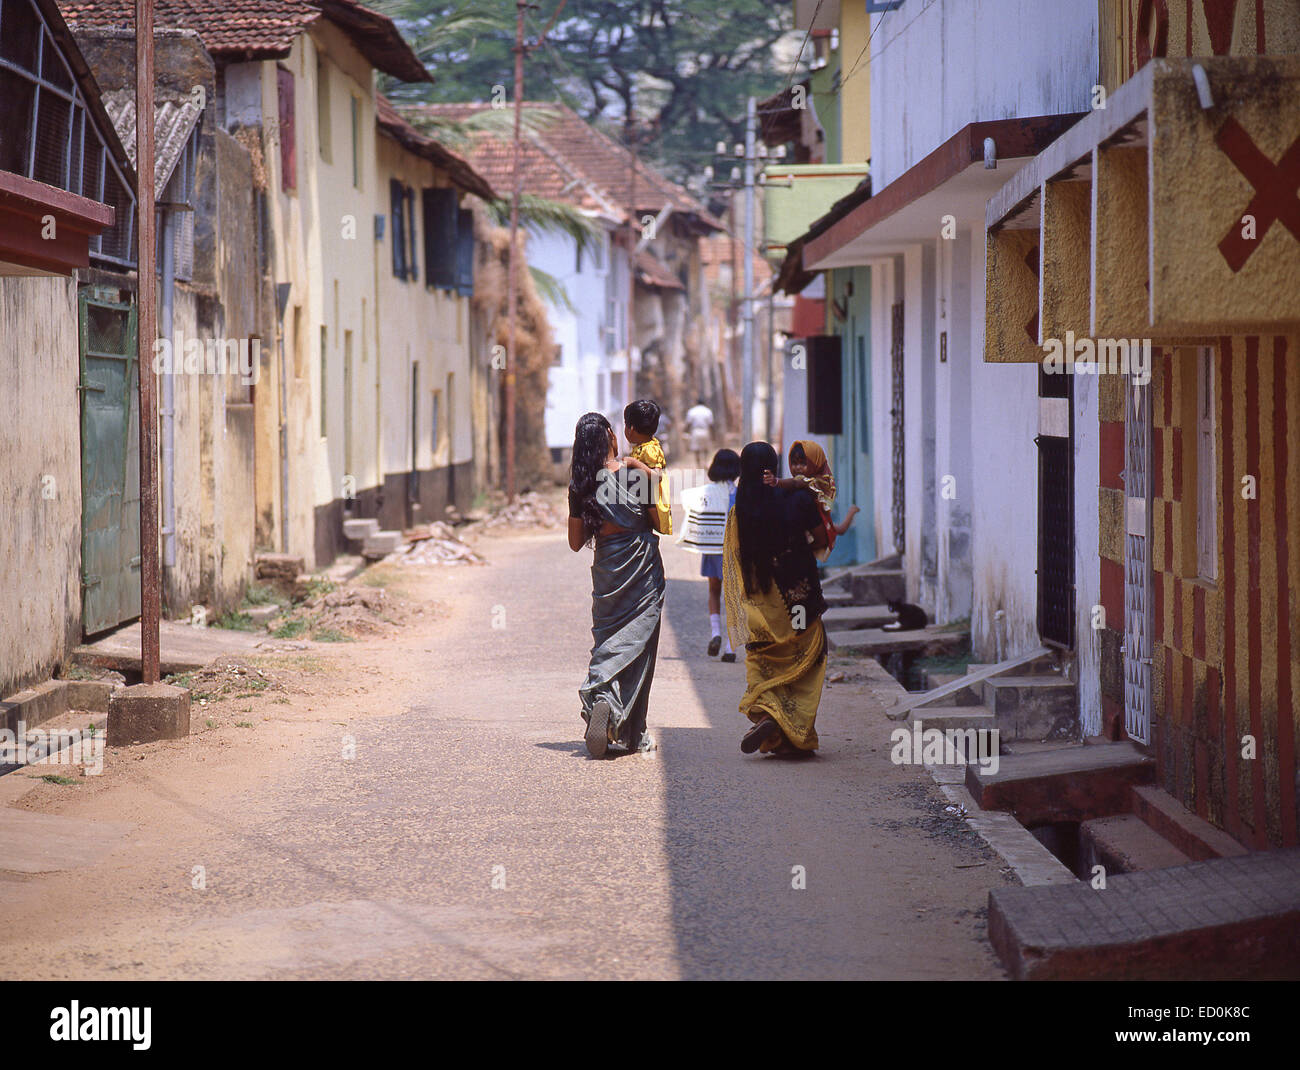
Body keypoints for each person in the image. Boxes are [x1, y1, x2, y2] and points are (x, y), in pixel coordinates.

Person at [568, 412, 666, 758]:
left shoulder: (582, 486)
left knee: (609, 640)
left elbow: (576, 542)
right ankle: (633, 733)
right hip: (640, 564)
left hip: (606, 570)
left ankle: (603, 698)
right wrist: (647, 474)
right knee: (640, 647)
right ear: (612, 436)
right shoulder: (632, 474)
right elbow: (659, 520)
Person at [723, 441, 829, 757]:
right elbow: (822, 540)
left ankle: (771, 716)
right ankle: (791, 728)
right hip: (799, 598)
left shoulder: (738, 511)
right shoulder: (797, 498)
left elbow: (736, 563)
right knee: (808, 658)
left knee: (763, 661)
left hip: (761, 605)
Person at [677, 448, 740, 662]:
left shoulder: (706, 493)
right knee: (733, 597)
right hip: (734, 551)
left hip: (712, 549)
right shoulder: (738, 494)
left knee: (714, 591)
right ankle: (731, 647)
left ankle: (716, 633)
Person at [763, 439, 859, 562]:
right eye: (794, 463)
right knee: (839, 529)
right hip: (816, 518)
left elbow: (795, 483)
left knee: (837, 530)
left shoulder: (811, 481)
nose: (797, 467)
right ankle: (852, 512)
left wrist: (776, 481)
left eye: (803, 463)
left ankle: (852, 512)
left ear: (815, 462)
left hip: (818, 519)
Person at [624, 399, 672, 536]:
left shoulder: (649, 449)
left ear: (631, 428)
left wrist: (634, 463)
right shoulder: (642, 447)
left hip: (652, 504)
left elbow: (656, 476)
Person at [684, 398, 714, 468]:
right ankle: (705, 463)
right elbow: (711, 424)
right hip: (705, 431)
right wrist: (713, 435)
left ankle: (698, 464)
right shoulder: (708, 411)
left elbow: (688, 423)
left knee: (696, 449)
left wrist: (685, 431)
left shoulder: (692, 411)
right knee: (706, 448)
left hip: (695, 431)